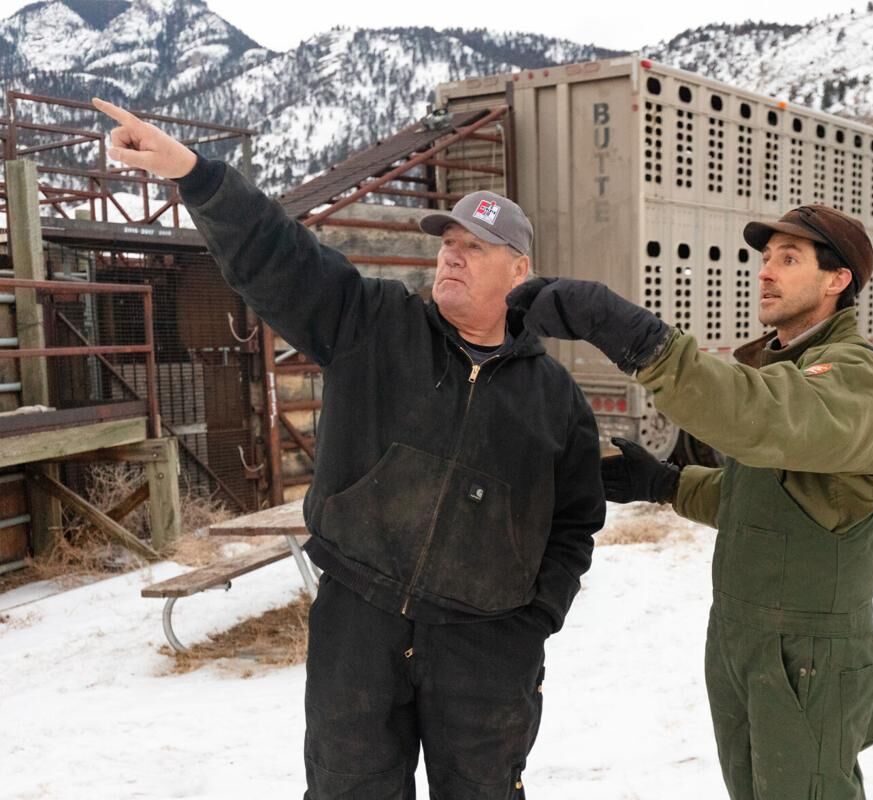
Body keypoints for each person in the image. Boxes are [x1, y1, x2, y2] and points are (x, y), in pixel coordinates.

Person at [93, 98, 605, 800]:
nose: (451, 255)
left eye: (475, 248)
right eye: (447, 243)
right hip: (358, 625)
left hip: (486, 647)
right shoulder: (374, 323)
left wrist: (535, 620)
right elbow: (283, 258)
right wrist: (197, 174)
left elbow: (575, 525)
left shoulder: (555, 400)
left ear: (520, 273)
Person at [508, 205, 873, 800]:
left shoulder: (858, 379)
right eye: (765, 258)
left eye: (789, 259)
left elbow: (755, 413)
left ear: (837, 279)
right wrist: (664, 484)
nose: (766, 273)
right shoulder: (788, 364)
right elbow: (764, 502)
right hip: (744, 641)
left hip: (805, 655)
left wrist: (634, 336)